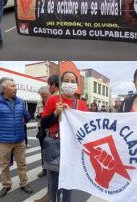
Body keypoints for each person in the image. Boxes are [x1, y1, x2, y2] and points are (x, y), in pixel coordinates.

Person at [41, 71, 88, 202]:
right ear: (61, 83)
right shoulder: (53, 100)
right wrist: (56, 112)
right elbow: (44, 123)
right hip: (55, 148)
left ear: (77, 85)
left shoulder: (81, 105)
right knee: (54, 182)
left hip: (72, 149)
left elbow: (86, 128)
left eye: (73, 81)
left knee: (68, 182)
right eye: (66, 80)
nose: (69, 84)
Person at [0, 77, 32, 198]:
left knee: (22, 163)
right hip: (3, 140)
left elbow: (27, 116)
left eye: (16, 85)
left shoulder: (20, 101)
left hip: (19, 139)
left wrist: (21, 123)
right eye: (13, 86)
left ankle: (23, 183)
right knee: (4, 165)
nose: (16, 88)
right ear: (4, 88)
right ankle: (6, 185)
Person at [35, 86, 50, 179]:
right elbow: (35, 114)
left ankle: (52, 169)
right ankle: (44, 169)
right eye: (42, 96)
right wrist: (38, 115)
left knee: (52, 149)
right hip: (41, 128)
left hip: (51, 130)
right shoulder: (39, 103)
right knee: (43, 150)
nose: (44, 98)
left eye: (45, 96)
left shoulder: (53, 101)